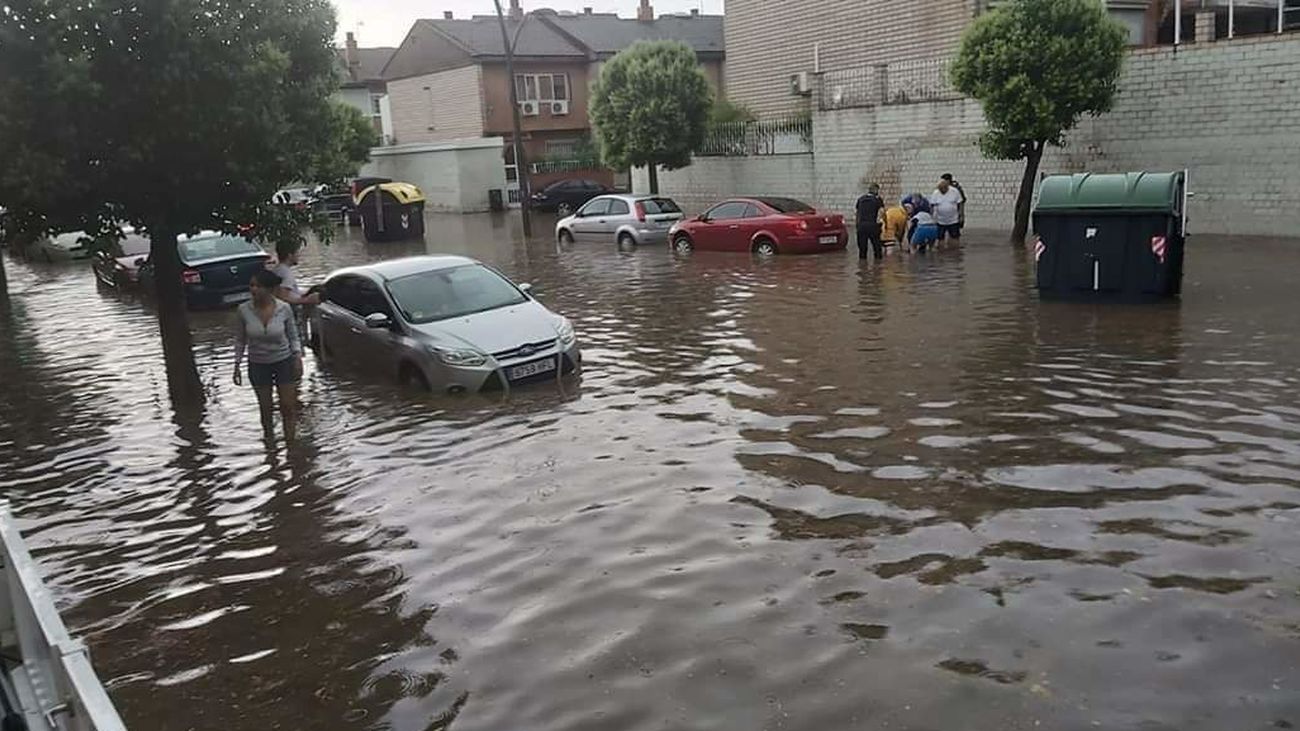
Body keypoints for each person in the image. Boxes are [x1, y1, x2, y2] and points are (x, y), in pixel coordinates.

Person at [234, 269, 304, 440]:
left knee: (287, 406)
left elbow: (293, 336)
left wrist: (297, 357)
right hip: (258, 364)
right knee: (266, 408)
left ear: (269, 289)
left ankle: (291, 443)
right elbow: (240, 340)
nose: (254, 290)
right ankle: (270, 445)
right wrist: (236, 365)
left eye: (258, 286)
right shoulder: (243, 310)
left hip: (283, 361)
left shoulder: (284, 308)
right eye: (251, 285)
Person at [854, 182, 885, 259]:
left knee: (862, 250)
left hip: (861, 226)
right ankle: (878, 268)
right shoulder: (878, 199)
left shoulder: (860, 199)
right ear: (876, 190)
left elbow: (857, 213)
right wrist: (881, 224)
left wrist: (857, 225)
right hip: (872, 226)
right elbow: (881, 212)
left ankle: (862, 268)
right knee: (877, 249)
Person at [929, 176, 964, 243]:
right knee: (940, 239)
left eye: (943, 190)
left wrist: (961, 215)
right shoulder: (936, 193)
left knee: (955, 238)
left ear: (947, 187)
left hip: (953, 220)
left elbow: (960, 203)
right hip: (940, 221)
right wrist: (931, 218)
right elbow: (932, 206)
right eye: (940, 190)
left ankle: (954, 251)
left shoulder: (955, 191)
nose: (942, 191)